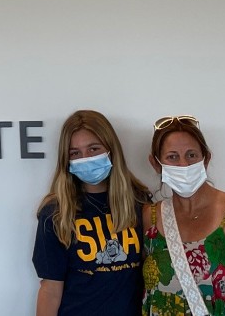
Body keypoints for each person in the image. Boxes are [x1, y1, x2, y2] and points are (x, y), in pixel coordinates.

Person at [141, 115, 225, 315]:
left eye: (191, 155)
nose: (184, 165)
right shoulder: (150, 218)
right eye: (172, 157)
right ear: (156, 164)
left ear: (205, 159)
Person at [34, 110, 151, 315]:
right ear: (66, 160)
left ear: (111, 149)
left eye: (93, 149)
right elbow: (51, 289)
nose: (85, 158)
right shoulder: (56, 212)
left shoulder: (140, 202)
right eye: (75, 153)